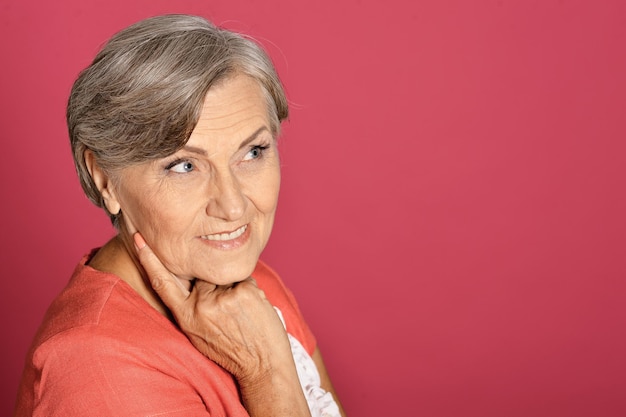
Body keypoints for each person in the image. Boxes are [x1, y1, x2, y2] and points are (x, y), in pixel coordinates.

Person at [14, 14, 345, 417]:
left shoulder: (251, 287)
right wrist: (267, 373)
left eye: (253, 152)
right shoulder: (96, 365)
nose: (234, 206)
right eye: (184, 166)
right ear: (105, 178)